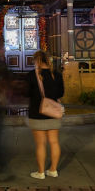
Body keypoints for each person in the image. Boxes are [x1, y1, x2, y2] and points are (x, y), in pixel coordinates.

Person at [25, 50, 64, 180]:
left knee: (41, 144)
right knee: (54, 142)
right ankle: (53, 170)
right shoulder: (57, 75)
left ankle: (41, 172)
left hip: (37, 113)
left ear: (37, 61)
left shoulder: (31, 75)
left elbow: (26, 93)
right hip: (53, 113)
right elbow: (61, 93)